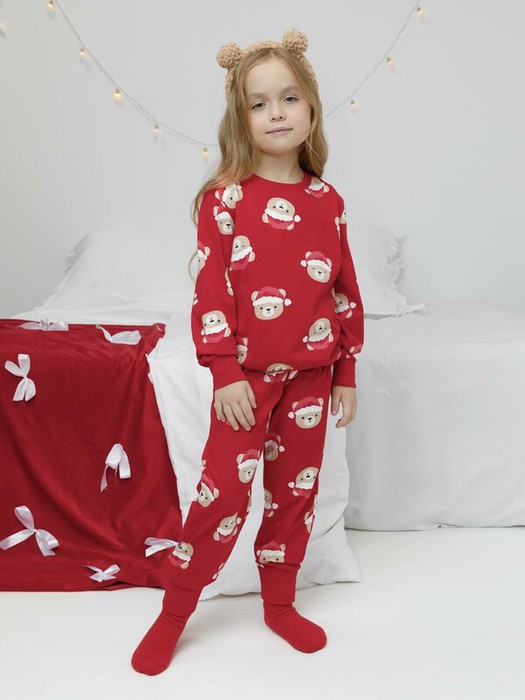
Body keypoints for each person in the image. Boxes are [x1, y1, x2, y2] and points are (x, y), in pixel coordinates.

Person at [131, 27, 364, 676]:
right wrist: (224, 371)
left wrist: (345, 370)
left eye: (288, 98)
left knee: (295, 496)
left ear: (311, 106)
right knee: (221, 498)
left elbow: (344, 292)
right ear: (241, 117)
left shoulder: (327, 201)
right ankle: (175, 611)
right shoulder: (225, 199)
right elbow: (211, 291)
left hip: (312, 379)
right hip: (246, 382)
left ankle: (279, 604)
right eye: (259, 103)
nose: (276, 113)